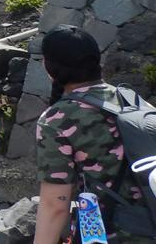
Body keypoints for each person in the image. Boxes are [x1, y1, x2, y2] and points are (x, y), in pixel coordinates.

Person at [33, 26, 153, 244]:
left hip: (115, 233)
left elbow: (55, 205)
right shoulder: (132, 100)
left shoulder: (57, 119)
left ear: (49, 67)